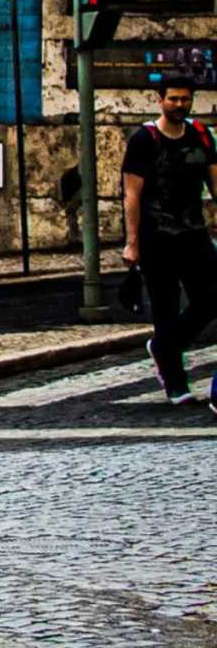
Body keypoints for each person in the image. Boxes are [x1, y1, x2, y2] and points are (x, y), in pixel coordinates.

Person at [121, 76, 217, 407]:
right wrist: (132, 242)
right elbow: (132, 195)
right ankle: (176, 384)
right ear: (160, 99)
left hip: (193, 233)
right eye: (173, 99)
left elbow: (215, 183)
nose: (179, 105)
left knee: (210, 298)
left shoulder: (201, 135)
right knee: (165, 307)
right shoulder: (144, 139)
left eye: (185, 99)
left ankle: (164, 346)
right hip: (156, 238)